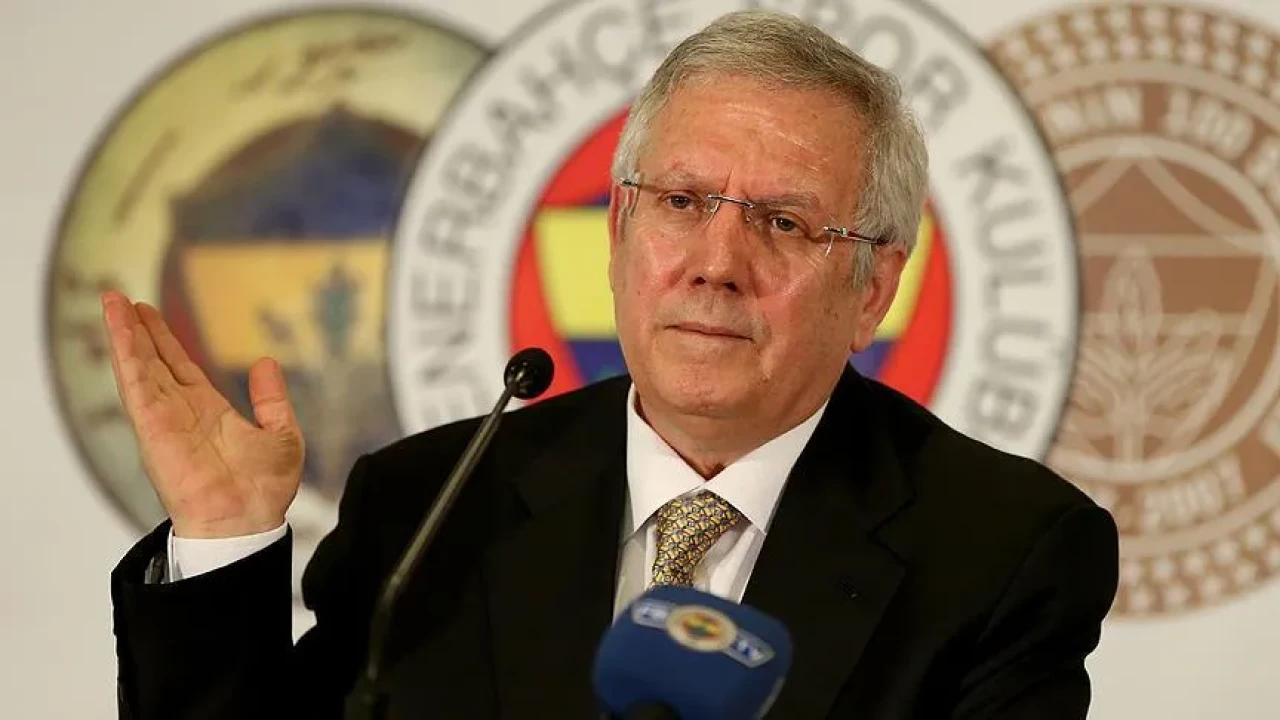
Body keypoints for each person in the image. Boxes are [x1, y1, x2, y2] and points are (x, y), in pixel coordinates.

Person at [104, 10, 1119, 719]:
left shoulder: (1001, 551)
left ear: (872, 289)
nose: (717, 264)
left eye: (782, 222)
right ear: (619, 231)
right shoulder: (430, 509)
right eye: (681, 202)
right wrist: (225, 540)